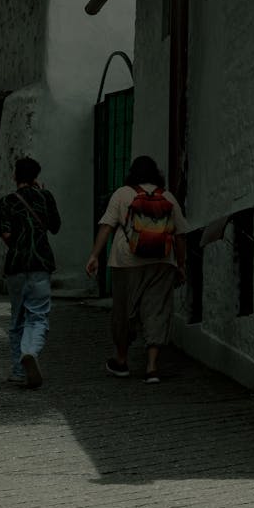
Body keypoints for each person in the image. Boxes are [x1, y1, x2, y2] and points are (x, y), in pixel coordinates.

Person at [86, 155, 188, 384]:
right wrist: (180, 265)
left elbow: (107, 227)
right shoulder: (168, 196)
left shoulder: (122, 194)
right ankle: (152, 367)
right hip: (162, 261)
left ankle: (121, 361)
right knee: (157, 310)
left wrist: (94, 256)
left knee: (124, 310)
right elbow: (180, 235)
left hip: (126, 261)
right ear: (156, 174)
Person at [0, 156, 61, 389]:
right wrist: (43, 195)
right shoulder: (46, 197)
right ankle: (31, 351)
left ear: (15, 176)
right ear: (36, 177)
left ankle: (17, 370)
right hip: (40, 264)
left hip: (16, 266)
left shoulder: (6, 202)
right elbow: (55, 226)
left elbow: (5, 235)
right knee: (38, 315)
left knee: (17, 319)